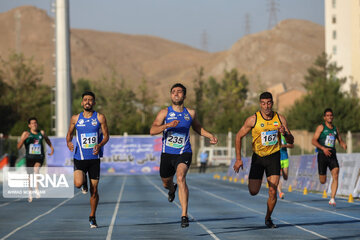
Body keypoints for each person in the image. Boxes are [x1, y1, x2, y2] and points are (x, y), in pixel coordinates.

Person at [150, 83, 218, 228]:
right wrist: (167, 125)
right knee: (165, 183)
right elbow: (152, 130)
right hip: (167, 154)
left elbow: (197, 127)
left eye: (179, 92)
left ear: (184, 96)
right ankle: (171, 189)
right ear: (170, 95)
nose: (176, 94)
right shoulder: (164, 113)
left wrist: (210, 135)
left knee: (181, 177)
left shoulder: (191, 113)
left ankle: (184, 215)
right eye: (173, 92)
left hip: (184, 152)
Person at [233, 92, 294, 228]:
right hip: (258, 158)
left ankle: (268, 218)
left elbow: (291, 140)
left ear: (272, 103)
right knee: (253, 191)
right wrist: (238, 159)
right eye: (263, 103)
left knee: (273, 191)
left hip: (274, 156)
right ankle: (259, 182)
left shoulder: (280, 119)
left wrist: (284, 133)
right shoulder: (253, 120)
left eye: (269, 103)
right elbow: (238, 137)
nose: (266, 106)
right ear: (260, 104)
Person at [66, 91, 109, 228]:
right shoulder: (75, 118)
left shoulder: (100, 118)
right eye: (85, 100)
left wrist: (100, 144)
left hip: (94, 159)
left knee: (94, 190)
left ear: (94, 103)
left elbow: (107, 136)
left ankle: (92, 216)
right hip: (80, 157)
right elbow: (69, 134)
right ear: (82, 102)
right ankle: (83, 182)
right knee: (78, 184)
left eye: (90, 100)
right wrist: (69, 142)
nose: (87, 102)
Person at [311, 108, 346, 206]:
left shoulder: (335, 129)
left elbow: (340, 139)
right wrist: (323, 148)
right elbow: (313, 140)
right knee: (323, 181)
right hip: (322, 155)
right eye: (327, 115)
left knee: (336, 173)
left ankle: (332, 198)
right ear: (324, 117)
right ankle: (324, 179)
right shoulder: (321, 127)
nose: (329, 117)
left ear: (333, 117)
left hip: (332, 154)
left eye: (331, 115)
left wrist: (343, 144)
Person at [17, 117, 54, 202]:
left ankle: (37, 188)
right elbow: (18, 147)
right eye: (32, 123)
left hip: (39, 157)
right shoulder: (26, 133)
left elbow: (47, 140)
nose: (34, 124)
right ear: (29, 125)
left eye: (35, 123)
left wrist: (51, 148)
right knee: (30, 176)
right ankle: (30, 191)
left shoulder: (41, 133)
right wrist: (23, 139)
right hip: (29, 157)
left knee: (36, 169)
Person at [277, 133, 294, 199]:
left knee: (285, 177)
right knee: (277, 176)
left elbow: (292, 145)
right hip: (276, 158)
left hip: (284, 157)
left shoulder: (284, 135)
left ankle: (282, 174)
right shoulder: (273, 134)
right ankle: (280, 192)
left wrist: (284, 146)